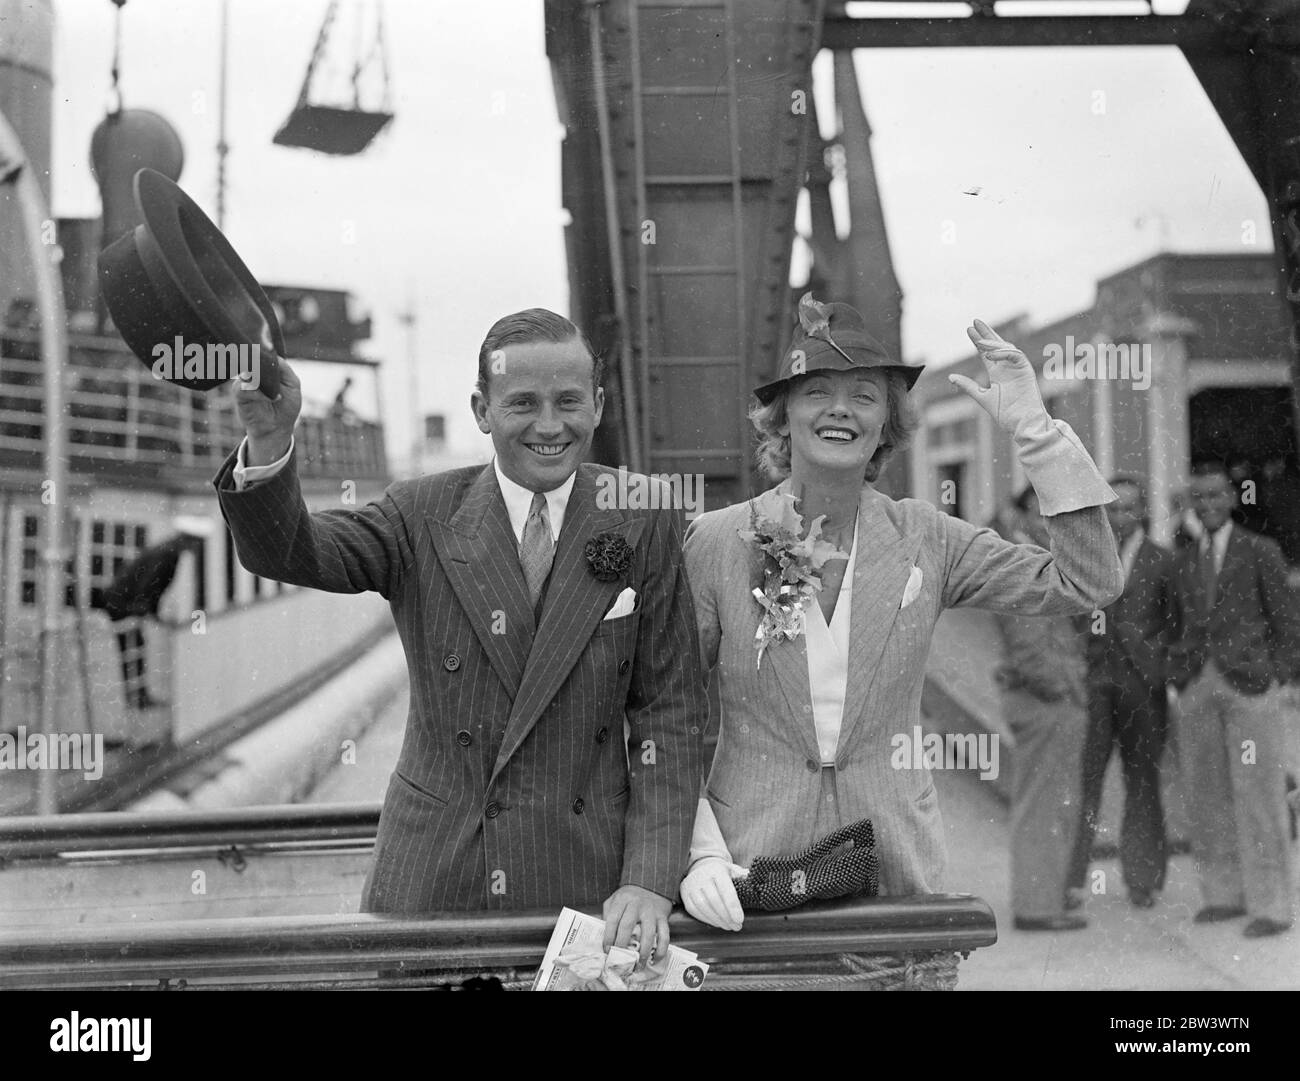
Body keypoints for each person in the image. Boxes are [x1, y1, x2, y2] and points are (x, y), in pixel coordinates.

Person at [214, 308, 706, 962]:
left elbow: (669, 714)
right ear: (482, 409)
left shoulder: (643, 513)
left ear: (599, 403)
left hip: (585, 883)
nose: (550, 425)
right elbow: (291, 552)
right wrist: (272, 441)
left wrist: (649, 876)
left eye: (568, 401)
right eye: (523, 403)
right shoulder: (420, 513)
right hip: (436, 877)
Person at [678, 295, 1122, 933]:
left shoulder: (927, 538)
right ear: (781, 420)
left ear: (888, 423)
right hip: (749, 873)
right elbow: (660, 712)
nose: (840, 408)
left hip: (894, 873)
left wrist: (1036, 430)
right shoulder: (718, 541)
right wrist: (700, 853)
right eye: (816, 391)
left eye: (864, 394)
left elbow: (1087, 582)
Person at [1166, 459, 1299, 937]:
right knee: (1206, 794)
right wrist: (1176, 675)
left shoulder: (1260, 550)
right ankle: (1223, 896)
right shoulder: (1180, 559)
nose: (1208, 505)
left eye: (1216, 495)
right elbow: (1171, 622)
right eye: (1198, 498)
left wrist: (1279, 676)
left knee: (1260, 795)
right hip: (1196, 685)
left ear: (1233, 497)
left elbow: (1287, 619)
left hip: (1250, 685)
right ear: (1189, 503)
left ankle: (1271, 906)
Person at [1067, 476, 1173, 910]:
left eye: (1128, 508)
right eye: (1112, 509)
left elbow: (1175, 622)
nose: (1119, 516)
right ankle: (1070, 880)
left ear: (1143, 511)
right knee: (1084, 783)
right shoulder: (1089, 558)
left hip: (1143, 689)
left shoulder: (1163, 560)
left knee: (1143, 782)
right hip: (1095, 686)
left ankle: (1142, 879)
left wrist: (1158, 665)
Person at [991, 492, 1093, 930]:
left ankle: (1044, 896)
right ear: (1022, 514)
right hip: (1045, 701)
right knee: (1043, 806)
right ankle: (1037, 907)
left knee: (1051, 804)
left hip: (1046, 698)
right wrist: (1065, 690)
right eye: (1043, 512)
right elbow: (1030, 652)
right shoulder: (1023, 564)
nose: (1052, 521)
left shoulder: (1033, 557)